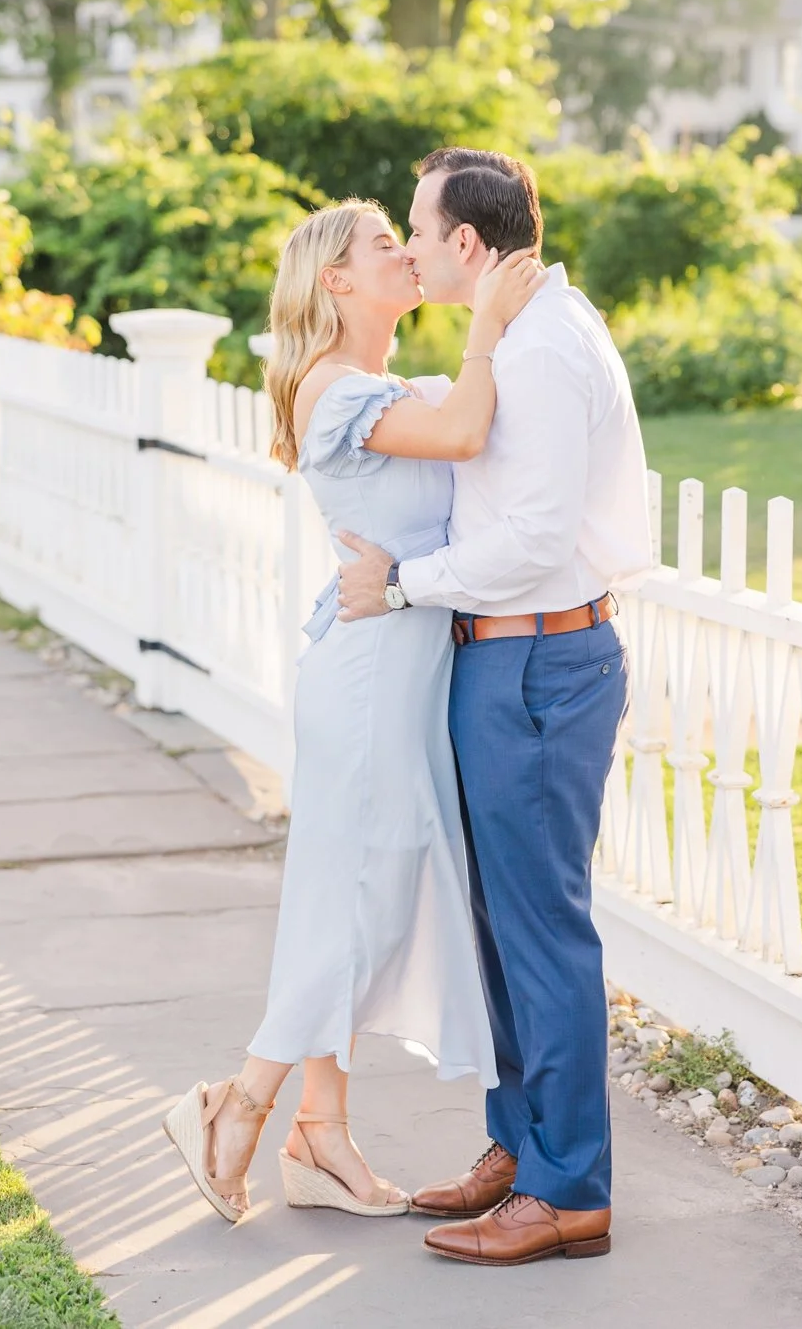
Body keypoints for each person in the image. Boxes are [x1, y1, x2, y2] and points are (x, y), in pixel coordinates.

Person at [163, 197, 545, 1222]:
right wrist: (487, 327)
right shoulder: (333, 390)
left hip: (397, 676)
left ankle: (320, 1139)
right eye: (386, 245)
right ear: (335, 280)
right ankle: (237, 1102)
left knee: (356, 898)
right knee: (362, 902)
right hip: (372, 682)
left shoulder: (368, 384)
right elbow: (466, 432)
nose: (408, 254)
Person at [337, 148, 653, 1265]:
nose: (414, 253)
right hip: (502, 664)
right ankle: (518, 1148)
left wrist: (404, 586)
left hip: (537, 666)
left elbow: (528, 541)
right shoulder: (516, 339)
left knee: (539, 929)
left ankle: (569, 1191)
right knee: (497, 928)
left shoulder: (547, 349)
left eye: (418, 234)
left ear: (467, 244)